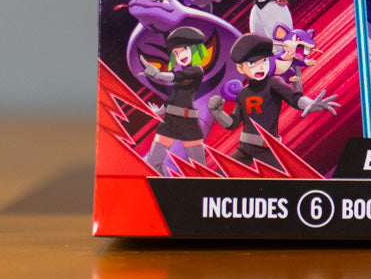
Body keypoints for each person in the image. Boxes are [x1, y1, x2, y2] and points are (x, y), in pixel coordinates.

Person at [208, 34, 338, 168]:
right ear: (241, 68)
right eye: (252, 63)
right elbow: (233, 123)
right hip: (244, 149)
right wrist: (218, 113)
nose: (260, 68)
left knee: (286, 177)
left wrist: (309, 103)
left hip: (269, 149)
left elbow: (294, 97)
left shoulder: (274, 82)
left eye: (264, 61)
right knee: (220, 175)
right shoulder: (242, 93)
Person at [138, 25, 210, 172]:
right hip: (169, 121)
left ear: (194, 48)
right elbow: (175, 96)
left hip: (188, 121)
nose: (180, 56)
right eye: (176, 53)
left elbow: (174, 77)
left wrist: (157, 75)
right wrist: (160, 111)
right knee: (153, 164)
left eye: (184, 49)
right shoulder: (182, 73)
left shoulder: (196, 70)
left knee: (200, 168)